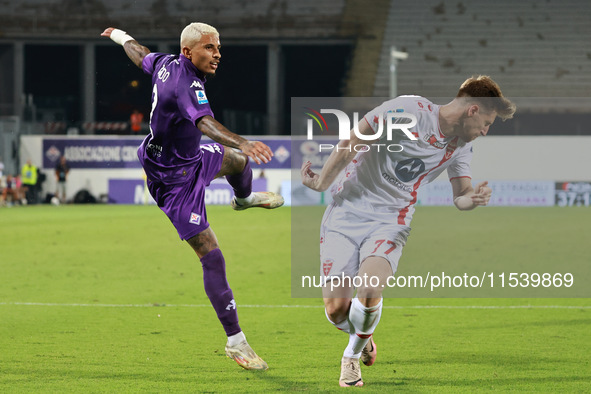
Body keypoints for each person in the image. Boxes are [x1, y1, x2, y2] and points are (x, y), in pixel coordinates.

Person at [301, 75, 516, 387]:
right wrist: (322, 183)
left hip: (392, 219)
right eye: (487, 122)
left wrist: (472, 199)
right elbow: (353, 140)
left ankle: (351, 357)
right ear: (473, 110)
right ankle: (363, 334)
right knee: (337, 311)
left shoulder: (460, 148)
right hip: (346, 211)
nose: (485, 131)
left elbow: (461, 195)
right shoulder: (409, 111)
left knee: (371, 288)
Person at [101, 23, 284, 371]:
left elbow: (141, 54)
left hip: (191, 158)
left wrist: (119, 36)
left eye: (218, 47)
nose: (217, 54)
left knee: (238, 164)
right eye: (209, 48)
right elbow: (206, 124)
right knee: (211, 257)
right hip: (173, 181)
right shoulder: (186, 85)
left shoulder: (167, 63)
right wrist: (242, 140)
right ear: (189, 52)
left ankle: (243, 199)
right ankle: (236, 342)